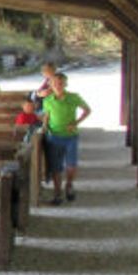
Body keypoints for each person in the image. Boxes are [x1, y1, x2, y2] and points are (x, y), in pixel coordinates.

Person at [40, 72, 91, 204]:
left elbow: (87, 110)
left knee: (71, 164)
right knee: (56, 166)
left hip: (70, 136)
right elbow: (46, 115)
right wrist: (44, 127)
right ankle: (57, 192)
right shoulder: (47, 100)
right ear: (50, 85)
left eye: (61, 83)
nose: (58, 85)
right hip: (53, 136)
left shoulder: (73, 97)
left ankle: (69, 185)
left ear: (66, 84)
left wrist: (76, 123)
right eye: (55, 83)